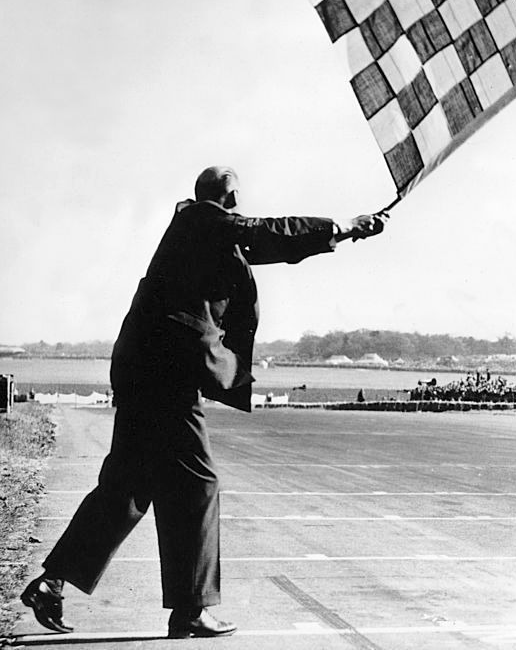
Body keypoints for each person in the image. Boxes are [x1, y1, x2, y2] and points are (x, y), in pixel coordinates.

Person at [20, 166, 387, 638]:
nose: (236, 207)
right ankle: (191, 609)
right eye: (234, 198)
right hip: (165, 373)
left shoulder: (201, 231)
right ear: (227, 197)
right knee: (198, 484)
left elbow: (269, 244)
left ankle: (52, 583)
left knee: (128, 486)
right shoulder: (201, 221)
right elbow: (264, 234)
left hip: (145, 369)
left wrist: (341, 233)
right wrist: (338, 227)